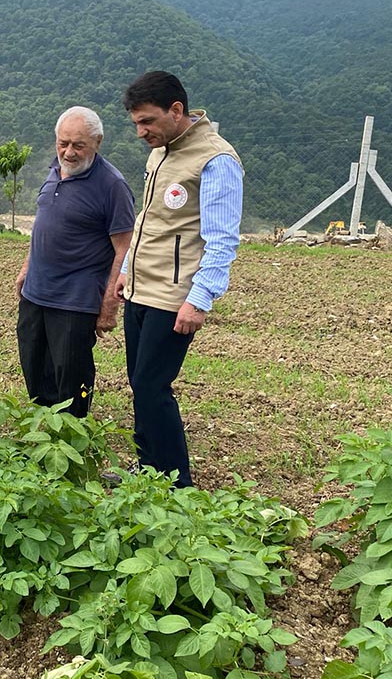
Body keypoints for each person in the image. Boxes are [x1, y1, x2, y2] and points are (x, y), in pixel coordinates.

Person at [114, 71, 243, 488]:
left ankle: (175, 483)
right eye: (135, 123)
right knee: (139, 384)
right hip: (140, 287)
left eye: (147, 121)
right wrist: (126, 270)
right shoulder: (161, 152)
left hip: (174, 296)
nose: (141, 132)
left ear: (176, 110)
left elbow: (221, 240)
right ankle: (147, 468)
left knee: (153, 386)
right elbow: (149, 221)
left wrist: (199, 298)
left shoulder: (215, 160)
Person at [15, 106, 136, 418]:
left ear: (97, 142)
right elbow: (45, 222)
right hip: (36, 292)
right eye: (62, 143)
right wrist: (27, 267)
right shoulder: (55, 169)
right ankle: (42, 434)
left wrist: (110, 303)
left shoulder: (112, 186)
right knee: (32, 363)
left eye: (78, 145)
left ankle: (70, 439)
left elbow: (125, 248)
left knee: (71, 376)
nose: (68, 152)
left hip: (75, 300)